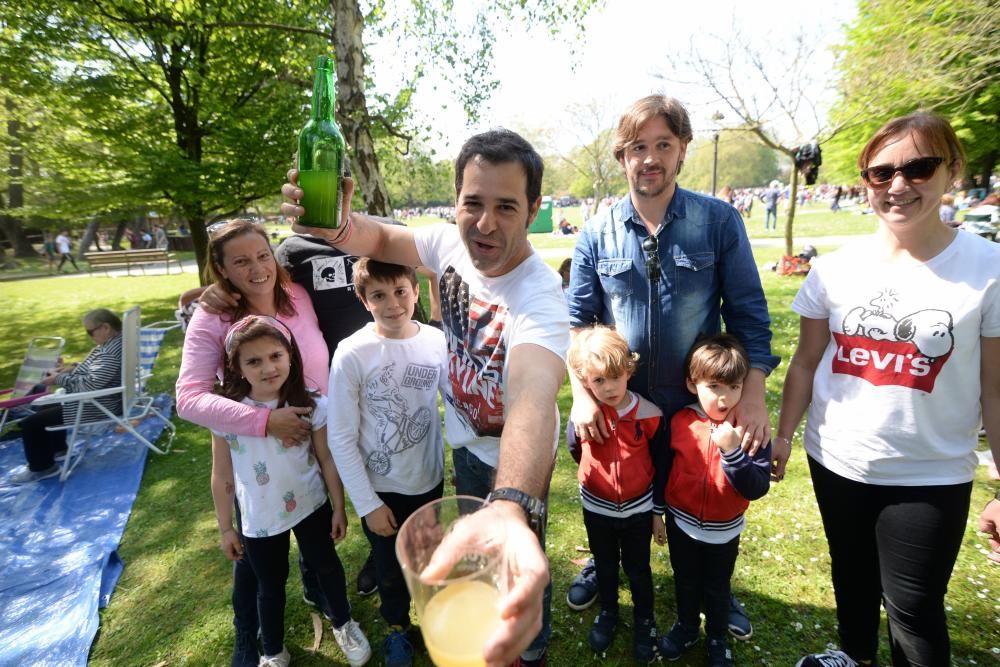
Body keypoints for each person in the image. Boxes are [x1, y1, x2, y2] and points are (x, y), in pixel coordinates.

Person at [282, 127, 570, 667]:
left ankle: (532, 651)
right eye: (473, 203)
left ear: (533, 209)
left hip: (513, 462)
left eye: (506, 207)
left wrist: (511, 505)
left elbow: (533, 394)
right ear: (456, 200)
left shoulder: (540, 297)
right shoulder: (449, 243)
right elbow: (383, 241)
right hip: (465, 447)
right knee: (480, 567)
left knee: (514, 556)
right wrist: (340, 226)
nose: (485, 224)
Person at [771, 112, 1000, 667]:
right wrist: (782, 438)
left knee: (914, 611)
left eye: (918, 167)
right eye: (881, 173)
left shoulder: (986, 268)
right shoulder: (834, 270)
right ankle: (854, 659)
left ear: (952, 171)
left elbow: (995, 388)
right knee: (850, 583)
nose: (899, 186)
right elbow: (805, 363)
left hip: (930, 474)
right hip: (838, 461)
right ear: (866, 181)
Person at [565, 94, 778, 642]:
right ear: (622, 157)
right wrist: (584, 395)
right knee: (614, 493)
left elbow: (750, 316)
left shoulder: (719, 221)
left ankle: (714, 588)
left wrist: (752, 393)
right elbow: (577, 325)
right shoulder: (596, 232)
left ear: (683, 150)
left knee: (698, 502)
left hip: (695, 406)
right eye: (639, 147)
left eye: (663, 145)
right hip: (620, 403)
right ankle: (602, 563)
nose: (651, 159)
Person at [175, 217, 344, 667]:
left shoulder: (298, 298)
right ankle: (247, 634)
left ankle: (317, 590)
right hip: (258, 445)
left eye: (263, 256)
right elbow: (188, 399)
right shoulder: (213, 317)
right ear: (222, 269)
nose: (257, 269)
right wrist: (264, 422)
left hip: (314, 434)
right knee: (256, 550)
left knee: (314, 523)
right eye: (241, 262)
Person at [210, 315, 370, 667]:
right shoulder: (225, 415)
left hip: (312, 505)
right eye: (254, 361)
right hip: (259, 519)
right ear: (236, 367)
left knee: (326, 566)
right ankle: (272, 649)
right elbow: (221, 475)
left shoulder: (312, 404)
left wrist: (339, 507)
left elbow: (326, 459)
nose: (268, 368)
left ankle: (344, 623)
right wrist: (225, 527)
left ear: (290, 356)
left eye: (275, 356)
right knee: (270, 585)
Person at [327, 258, 447, 666]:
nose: (392, 303)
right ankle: (397, 627)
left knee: (430, 559)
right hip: (381, 489)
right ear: (363, 300)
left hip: (428, 480)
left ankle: (433, 620)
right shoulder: (352, 353)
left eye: (400, 291)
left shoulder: (435, 341)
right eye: (379, 295)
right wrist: (367, 504)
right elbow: (340, 436)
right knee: (390, 568)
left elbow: (453, 400)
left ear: (415, 291)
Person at [656, 334, 771, 667]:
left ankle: (718, 638)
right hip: (682, 526)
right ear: (693, 385)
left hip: (724, 531)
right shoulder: (680, 421)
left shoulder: (750, 428)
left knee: (718, 588)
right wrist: (657, 513)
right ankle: (687, 626)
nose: (724, 399)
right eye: (715, 387)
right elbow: (664, 470)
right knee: (686, 580)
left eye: (734, 387)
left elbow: (757, 487)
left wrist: (733, 452)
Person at [565, 326, 665, 661]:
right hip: (597, 508)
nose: (608, 388)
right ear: (584, 380)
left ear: (629, 371)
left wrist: (656, 511)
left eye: (614, 377)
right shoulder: (584, 416)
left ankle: (645, 619)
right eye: (597, 381)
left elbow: (660, 463)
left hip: (638, 510)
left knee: (638, 569)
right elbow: (574, 449)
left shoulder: (650, 415)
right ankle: (609, 612)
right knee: (606, 565)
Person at [10, 309, 123, 483]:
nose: (89, 336)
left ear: (106, 327)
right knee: (42, 407)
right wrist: (71, 368)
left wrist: (58, 378)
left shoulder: (110, 352)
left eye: (90, 332)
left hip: (98, 404)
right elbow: (97, 371)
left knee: (31, 423)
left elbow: (91, 383)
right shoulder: (116, 343)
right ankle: (59, 449)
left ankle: (42, 468)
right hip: (103, 399)